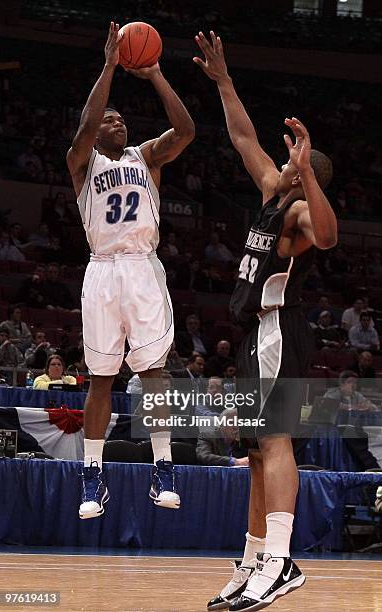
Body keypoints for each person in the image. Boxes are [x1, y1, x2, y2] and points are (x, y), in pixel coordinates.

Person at [194, 31, 337, 611]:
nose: (279, 164)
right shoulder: (271, 194)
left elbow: (327, 237)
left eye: (290, 163)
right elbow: (242, 135)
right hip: (256, 335)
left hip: (281, 332)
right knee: (255, 451)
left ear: (303, 176)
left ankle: (279, 562)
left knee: (275, 443)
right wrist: (224, 80)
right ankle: (255, 557)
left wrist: (308, 174)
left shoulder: (301, 210)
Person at [66, 22, 195, 519]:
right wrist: (109, 67)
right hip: (101, 272)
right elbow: (83, 129)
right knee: (101, 379)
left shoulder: (147, 156)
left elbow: (185, 131)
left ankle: (163, 467)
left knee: (153, 373)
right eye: (110, 119)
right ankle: (91, 475)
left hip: (142, 268)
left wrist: (157, 74)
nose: (118, 122)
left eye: (122, 118)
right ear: (97, 130)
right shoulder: (83, 163)